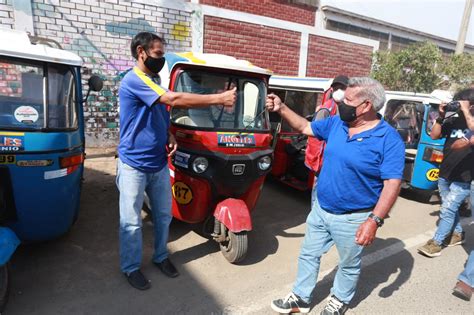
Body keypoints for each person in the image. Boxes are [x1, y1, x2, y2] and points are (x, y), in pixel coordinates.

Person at [267, 77, 405, 314]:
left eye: (348, 100)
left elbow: (392, 182)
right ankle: (301, 297)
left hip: (354, 218)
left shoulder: (388, 139)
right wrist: (282, 108)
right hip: (321, 208)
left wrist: (374, 220)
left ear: (366, 106)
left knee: (349, 265)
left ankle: (339, 299)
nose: (341, 102)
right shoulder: (337, 124)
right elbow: (305, 127)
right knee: (309, 254)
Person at [117, 32, 236, 290]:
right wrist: (218, 99)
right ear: (141, 52)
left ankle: (161, 257)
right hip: (133, 166)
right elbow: (172, 99)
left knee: (162, 216)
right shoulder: (134, 79)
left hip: (157, 163)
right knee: (131, 222)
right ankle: (131, 267)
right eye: (158, 54)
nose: (160, 59)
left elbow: (161, 111)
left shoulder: (154, 79)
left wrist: (169, 133)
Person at [417, 88, 474, 258]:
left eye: (463, 103)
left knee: (448, 209)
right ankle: (457, 234)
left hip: (465, 176)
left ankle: (437, 242)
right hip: (445, 172)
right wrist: (442, 116)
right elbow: (435, 136)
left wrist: (465, 110)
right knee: (450, 207)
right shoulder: (453, 120)